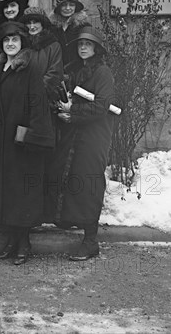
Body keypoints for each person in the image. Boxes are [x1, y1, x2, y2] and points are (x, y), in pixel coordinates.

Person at [0, 22, 55, 265]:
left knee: (22, 193)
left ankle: (24, 242)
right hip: (1, 143)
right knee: (6, 192)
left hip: (22, 142)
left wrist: (31, 136)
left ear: (22, 44)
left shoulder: (29, 70)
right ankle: (12, 240)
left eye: (15, 40)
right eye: (6, 41)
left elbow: (38, 105)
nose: (10, 44)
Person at [44, 26, 115, 261]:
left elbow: (101, 107)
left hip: (94, 136)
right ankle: (70, 220)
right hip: (76, 133)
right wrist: (63, 108)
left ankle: (91, 240)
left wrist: (72, 111)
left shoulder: (102, 72)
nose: (83, 48)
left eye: (88, 44)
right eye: (80, 44)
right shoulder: (78, 71)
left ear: (96, 48)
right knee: (73, 178)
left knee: (90, 182)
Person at [18, 6, 64, 101]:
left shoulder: (53, 46)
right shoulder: (20, 44)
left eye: (35, 22)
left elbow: (54, 74)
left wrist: (35, 93)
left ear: (42, 24)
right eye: (28, 23)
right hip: (20, 98)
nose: (32, 26)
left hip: (44, 98)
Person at [49, 0, 90, 67]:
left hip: (79, 71)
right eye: (64, 5)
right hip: (56, 70)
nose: (68, 8)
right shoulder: (52, 27)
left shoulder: (84, 26)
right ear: (59, 7)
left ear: (76, 7)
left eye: (71, 5)